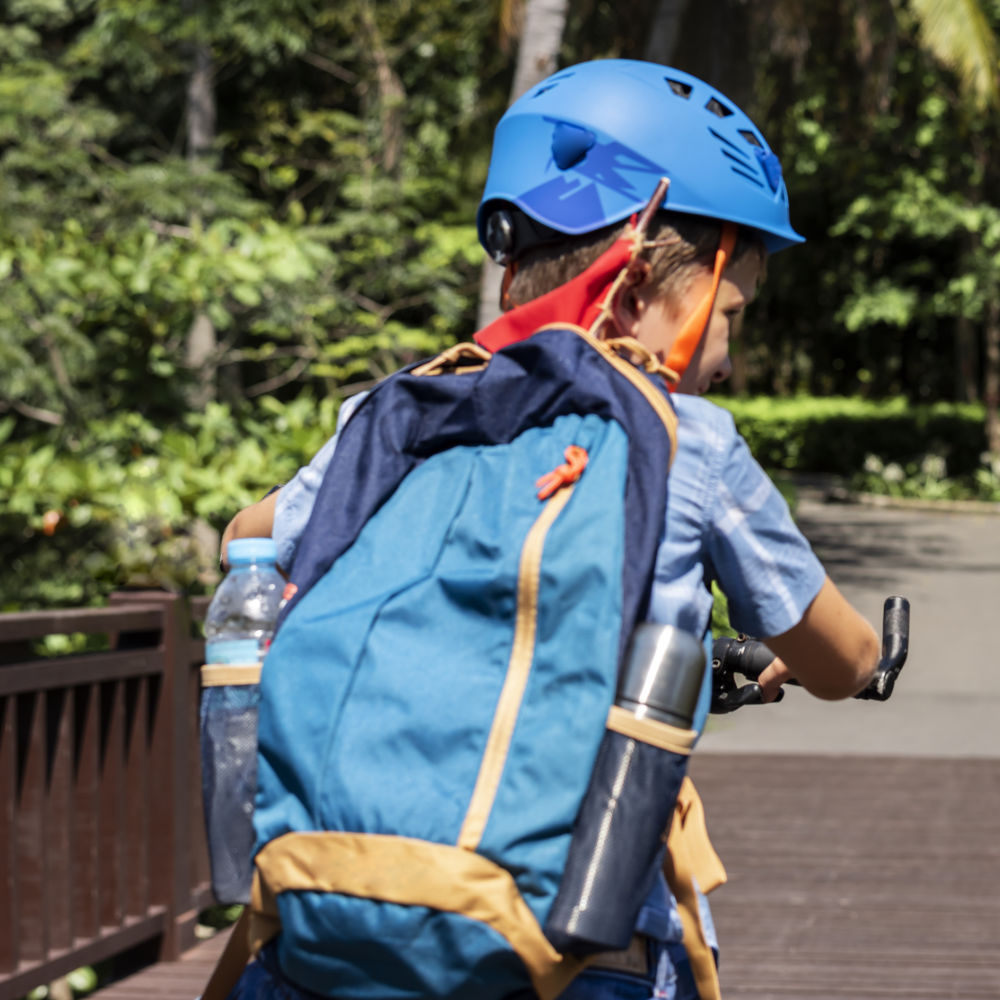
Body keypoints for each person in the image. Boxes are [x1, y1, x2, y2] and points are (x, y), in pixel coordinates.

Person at [219, 59, 880, 1000]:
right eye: (733, 313)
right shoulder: (692, 441)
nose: (729, 357)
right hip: (574, 960)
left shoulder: (397, 410)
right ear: (646, 280)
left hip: (322, 936)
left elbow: (252, 536)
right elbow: (842, 659)